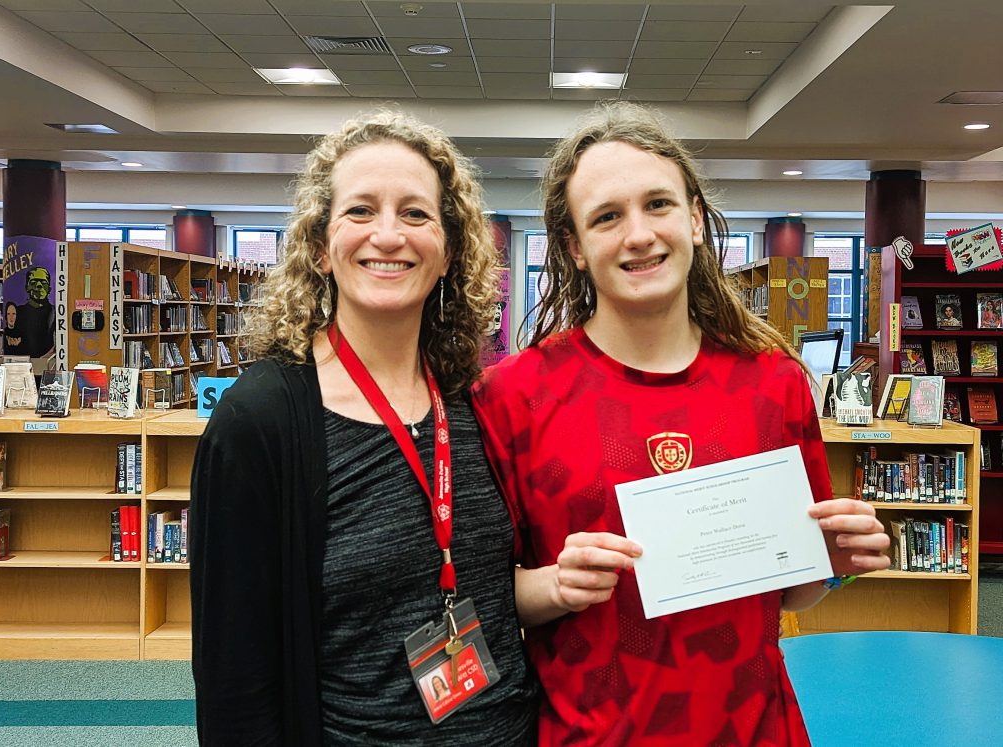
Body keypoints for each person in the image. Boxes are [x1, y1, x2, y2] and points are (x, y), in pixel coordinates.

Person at [472, 102, 890, 746]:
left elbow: (791, 594)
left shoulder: (772, 382)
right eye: (607, 217)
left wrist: (828, 563)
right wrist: (557, 584)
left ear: (694, 219)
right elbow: (484, 598)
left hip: (753, 728)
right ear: (574, 249)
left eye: (658, 205)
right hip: (591, 733)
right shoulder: (512, 395)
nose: (638, 234)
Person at [190, 111, 538, 746]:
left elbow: (486, 577)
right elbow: (233, 672)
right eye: (359, 211)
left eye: (415, 213)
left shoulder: (472, 398)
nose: (388, 235)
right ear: (320, 246)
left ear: (449, 250)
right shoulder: (261, 420)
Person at [13, 267, 54, 358]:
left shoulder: (56, 314)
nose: (39, 285)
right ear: (26, 287)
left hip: (48, 363)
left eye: (43, 283)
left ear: (49, 289)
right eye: (33, 282)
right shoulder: (16, 313)